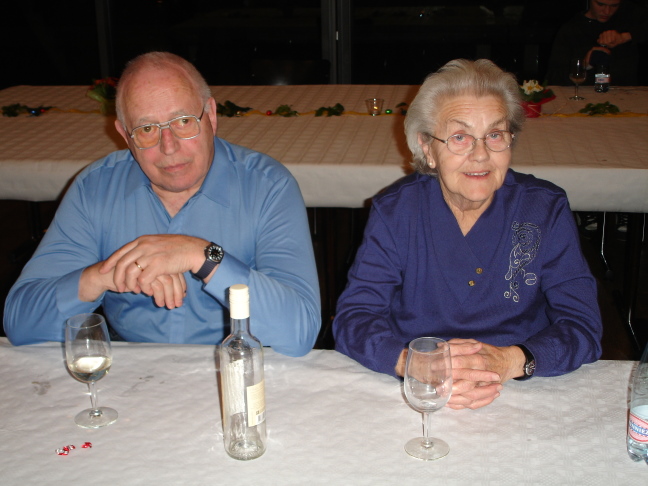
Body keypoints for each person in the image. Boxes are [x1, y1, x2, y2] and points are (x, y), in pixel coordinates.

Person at [3, 52, 321, 357]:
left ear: (211, 116)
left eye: (183, 121)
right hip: (130, 375)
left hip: (239, 366)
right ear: (124, 135)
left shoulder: (268, 187)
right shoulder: (95, 189)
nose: (169, 147)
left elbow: (299, 332)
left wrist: (203, 256)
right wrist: (105, 274)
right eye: (146, 129)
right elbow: (20, 325)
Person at [333, 59, 603, 410]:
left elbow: (583, 324)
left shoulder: (543, 209)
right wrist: (414, 364)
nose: (481, 155)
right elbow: (354, 318)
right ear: (428, 148)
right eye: (460, 137)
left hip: (519, 388)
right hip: (416, 391)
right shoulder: (396, 211)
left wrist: (511, 361)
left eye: (495, 135)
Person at [546, 0, 648, 86]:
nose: (607, 11)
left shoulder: (629, 20)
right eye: (600, 4)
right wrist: (584, 65)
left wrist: (625, 37)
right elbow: (553, 78)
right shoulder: (571, 30)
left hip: (627, 95)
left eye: (614, 6)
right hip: (586, 96)